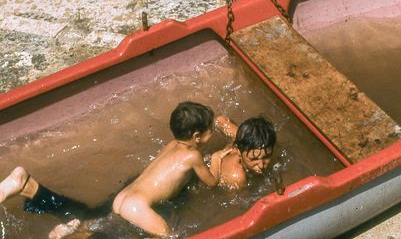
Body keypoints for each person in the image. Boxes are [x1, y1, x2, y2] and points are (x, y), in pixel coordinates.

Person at [0, 101, 234, 238]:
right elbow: (213, 182)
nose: (212, 132)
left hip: (124, 198)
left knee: (106, 228)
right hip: (138, 207)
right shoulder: (193, 155)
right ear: (196, 136)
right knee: (167, 236)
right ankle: (77, 227)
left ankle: (76, 228)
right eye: (210, 130)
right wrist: (216, 156)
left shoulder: (173, 145)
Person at [210, 117, 277, 189]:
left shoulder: (244, 139)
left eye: (266, 157)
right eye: (254, 159)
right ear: (239, 151)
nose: (261, 165)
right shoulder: (237, 178)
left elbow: (220, 119)